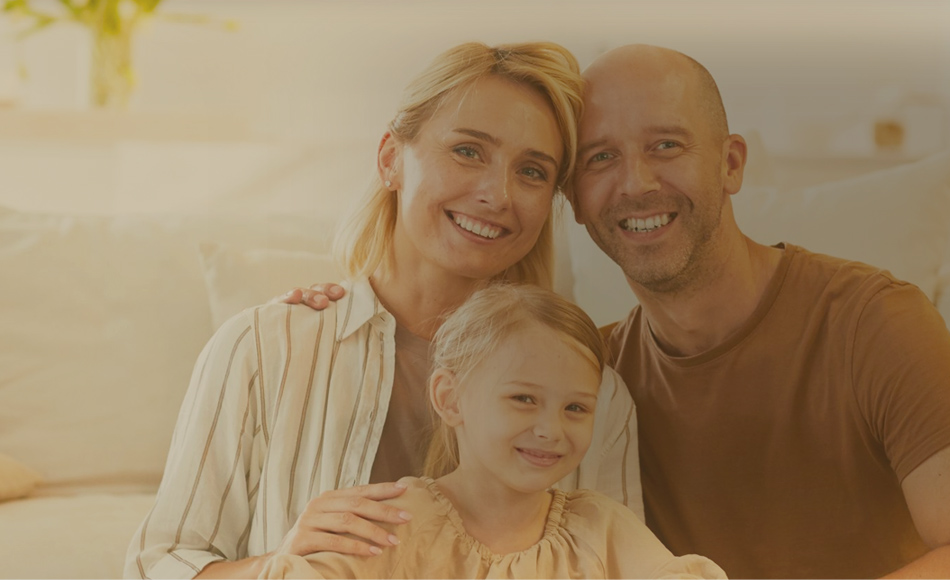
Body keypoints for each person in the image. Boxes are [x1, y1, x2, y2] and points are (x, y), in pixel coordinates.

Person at [289, 44, 950, 578]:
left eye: (667, 146)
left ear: (731, 163)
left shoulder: (870, 320)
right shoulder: (591, 382)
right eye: (601, 159)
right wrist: (340, 308)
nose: (636, 184)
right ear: (574, 200)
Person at [127, 41, 644, 579]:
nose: (498, 194)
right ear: (391, 159)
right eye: (468, 151)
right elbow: (157, 566)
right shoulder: (261, 348)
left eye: (533, 171)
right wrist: (279, 567)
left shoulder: (598, 399)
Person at [257, 284, 723, 579]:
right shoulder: (392, 523)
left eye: (576, 407)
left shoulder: (602, 529)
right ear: (450, 399)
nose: (551, 429)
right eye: (523, 399)